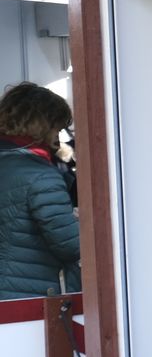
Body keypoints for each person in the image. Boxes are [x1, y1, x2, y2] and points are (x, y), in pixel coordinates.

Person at [0, 82, 80, 300]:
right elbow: (70, 245)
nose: (59, 134)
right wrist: (83, 224)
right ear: (42, 125)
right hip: (24, 299)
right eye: (57, 126)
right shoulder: (41, 175)